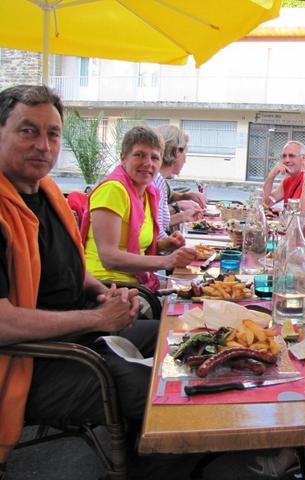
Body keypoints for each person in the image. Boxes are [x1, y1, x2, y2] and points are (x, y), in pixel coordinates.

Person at [0, 85, 149, 475]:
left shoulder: (45, 192)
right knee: (163, 387)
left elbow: (69, 266)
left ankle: (143, 451)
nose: (43, 145)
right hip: (30, 362)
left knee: (172, 338)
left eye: (52, 134)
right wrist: (98, 320)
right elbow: (3, 323)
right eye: (27, 131)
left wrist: (107, 294)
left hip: (75, 335)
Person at [81, 126, 197, 290]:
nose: (148, 163)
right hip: (105, 286)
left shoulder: (149, 193)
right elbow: (109, 257)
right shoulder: (113, 190)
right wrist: (167, 260)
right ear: (123, 157)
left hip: (136, 282)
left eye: (155, 158)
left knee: (196, 291)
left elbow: (137, 246)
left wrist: (166, 245)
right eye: (139, 155)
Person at [152, 124, 203, 238]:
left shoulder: (160, 181)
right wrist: (178, 207)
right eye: (185, 153)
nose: (185, 159)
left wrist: (184, 212)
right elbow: (152, 231)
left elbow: (156, 225)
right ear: (176, 152)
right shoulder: (153, 182)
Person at [263, 140, 305, 207]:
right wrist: (271, 176)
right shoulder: (287, 181)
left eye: (291, 156)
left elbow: (302, 212)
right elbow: (266, 203)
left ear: (304, 158)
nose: (287, 160)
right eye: (284, 156)